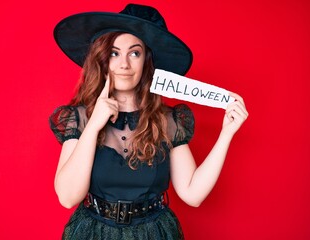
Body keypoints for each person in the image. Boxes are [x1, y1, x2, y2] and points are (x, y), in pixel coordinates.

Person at [49, 3, 248, 240]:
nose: (124, 64)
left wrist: (226, 133)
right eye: (114, 53)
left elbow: (193, 194)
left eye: (134, 53)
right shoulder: (79, 118)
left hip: (153, 233)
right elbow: (68, 197)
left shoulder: (168, 120)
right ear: (103, 61)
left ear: (147, 62)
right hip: (94, 232)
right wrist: (93, 125)